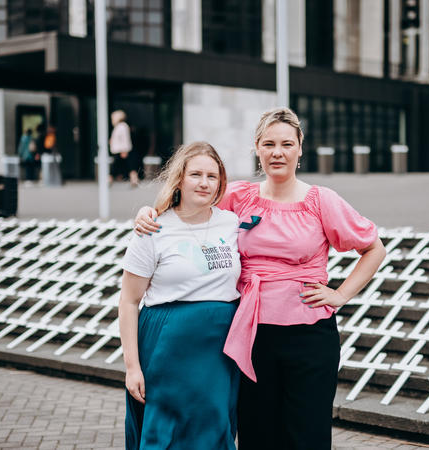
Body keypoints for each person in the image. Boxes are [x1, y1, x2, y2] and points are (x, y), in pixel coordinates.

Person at [135, 107, 386, 449]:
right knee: (256, 436)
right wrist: (149, 212)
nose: (277, 152)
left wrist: (341, 294)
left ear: (300, 148)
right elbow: (188, 203)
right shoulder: (239, 196)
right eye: (268, 144)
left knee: (307, 437)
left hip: (309, 336)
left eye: (286, 144)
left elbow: (374, 248)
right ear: (257, 148)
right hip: (250, 335)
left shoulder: (321, 201)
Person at [119, 141, 241, 449]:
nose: (204, 183)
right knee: (166, 434)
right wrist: (132, 367)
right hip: (167, 348)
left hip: (219, 352)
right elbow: (129, 301)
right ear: (180, 179)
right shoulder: (154, 228)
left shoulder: (232, 222)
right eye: (196, 174)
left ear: (221, 182)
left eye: (212, 176)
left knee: (214, 430)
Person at [109, 110, 139, 187]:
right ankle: (134, 179)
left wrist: (125, 150)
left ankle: (109, 179)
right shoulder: (120, 126)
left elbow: (125, 139)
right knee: (127, 165)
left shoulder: (122, 126)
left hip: (121, 150)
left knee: (119, 166)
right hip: (119, 150)